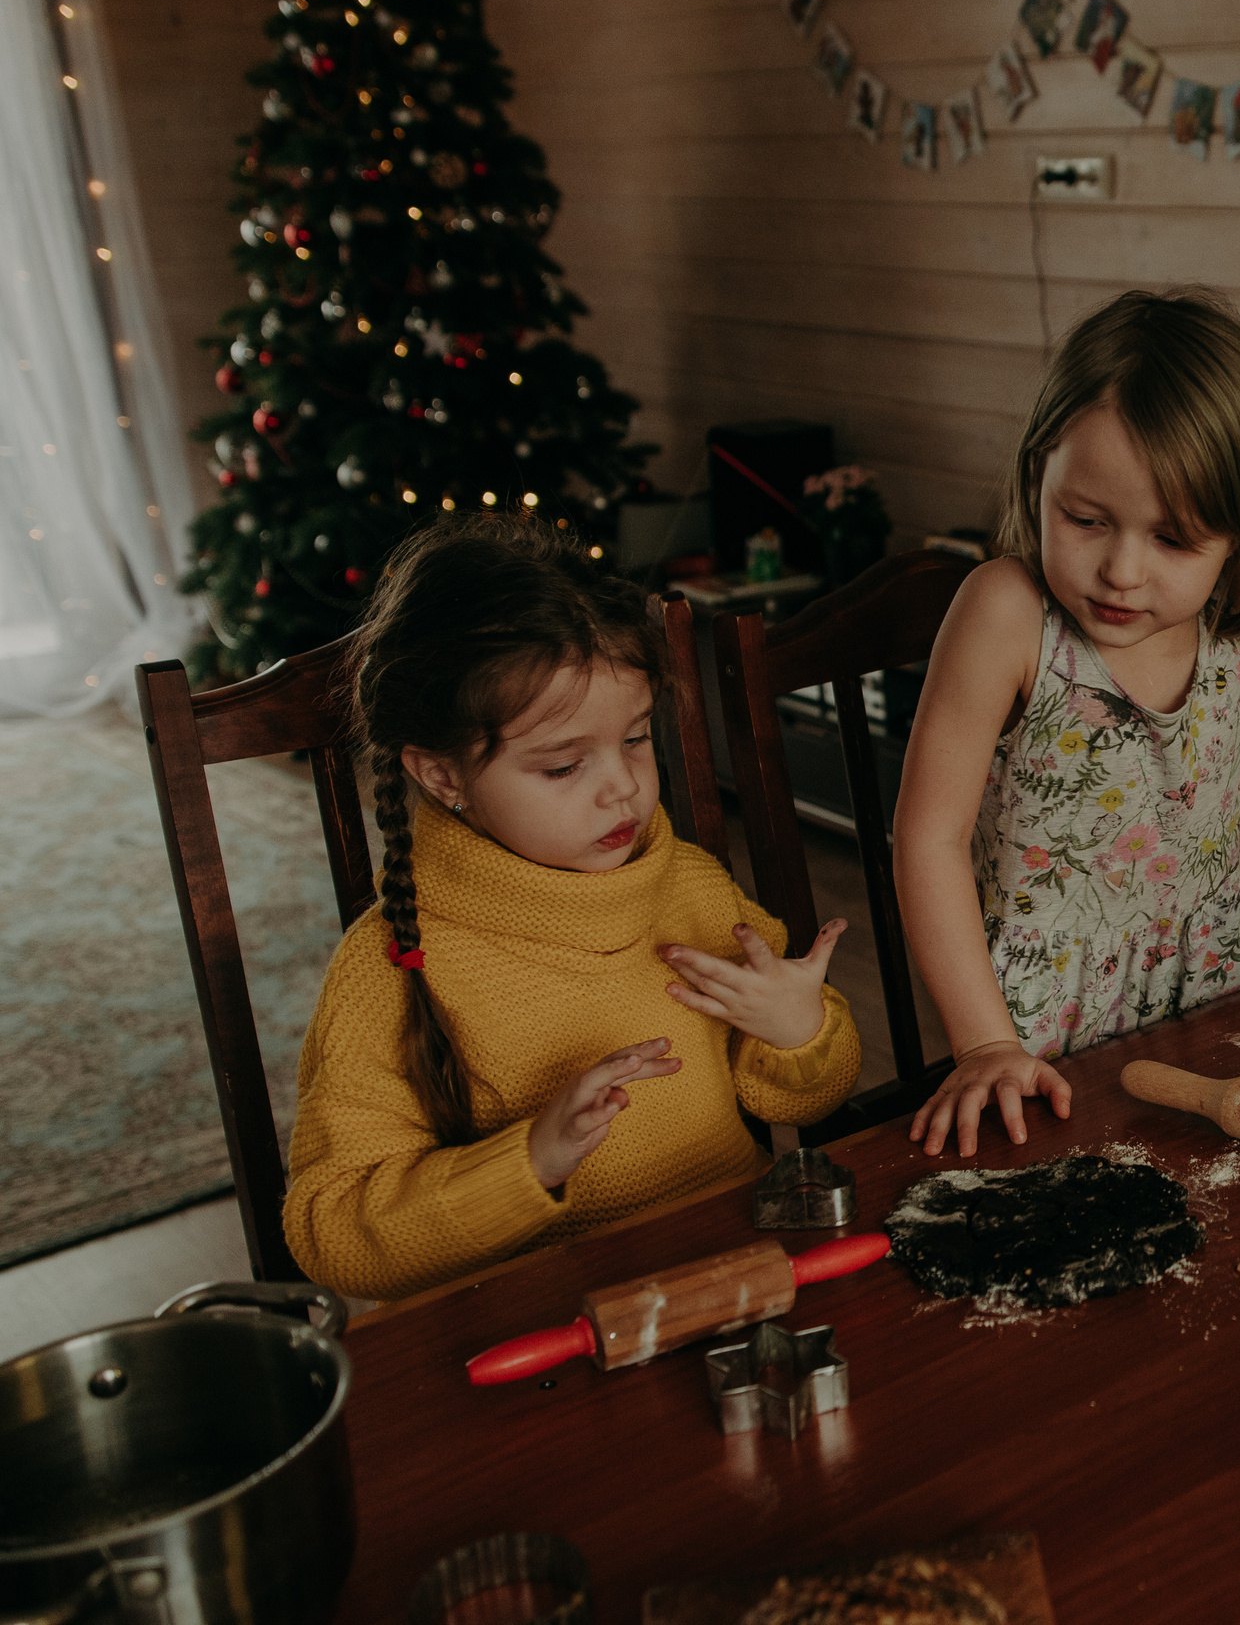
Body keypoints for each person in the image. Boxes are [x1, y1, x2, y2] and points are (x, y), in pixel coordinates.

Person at [283, 521, 863, 1300]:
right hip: (541, 1332)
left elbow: (807, 1096)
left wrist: (801, 1032)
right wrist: (530, 1161)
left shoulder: (691, 887)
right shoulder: (391, 964)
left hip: (728, 1277)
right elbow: (333, 1236)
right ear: (441, 775)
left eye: (635, 738)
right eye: (562, 766)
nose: (621, 786)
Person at [899, 287, 1240, 1156]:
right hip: (1028, 1031)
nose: (1120, 571)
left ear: (1239, 541)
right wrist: (984, 1043)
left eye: (1175, 541)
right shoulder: (1005, 611)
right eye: (1085, 520)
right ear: (1041, 471)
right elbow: (926, 836)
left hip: (1210, 998)